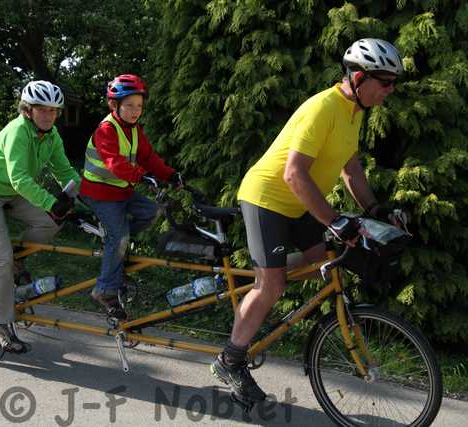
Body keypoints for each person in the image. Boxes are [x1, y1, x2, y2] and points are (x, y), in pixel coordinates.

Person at [210, 38, 404, 406]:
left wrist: (374, 209)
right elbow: (293, 173)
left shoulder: (355, 111)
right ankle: (230, 359)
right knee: (273, 285)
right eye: (386, 82)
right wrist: (334, 220)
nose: (390, 90)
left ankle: (266, 271)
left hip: (300, 203)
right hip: (267, 198)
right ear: (359, 78)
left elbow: (351, 170)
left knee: (324, 263)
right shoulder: (323, 107)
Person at [0, 80, 80, 353]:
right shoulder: (18, 131)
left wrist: (81, 199)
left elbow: (65, 172)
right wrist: (51, 202)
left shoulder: (51, 135)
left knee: (51, 222)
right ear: (28, 110)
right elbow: (20, 179)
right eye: (42, 110)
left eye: (53, 111)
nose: (48, 116)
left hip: (10, 191)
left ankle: (17, 258)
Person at [79, 74, 184, 320]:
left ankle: (114, 243)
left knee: (152, 212)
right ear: (114, 105)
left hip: (121, 191)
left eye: (139, 105)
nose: (136, 111)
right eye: (129, 105)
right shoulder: (106, 129)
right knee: (120, 237)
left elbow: (149, 158)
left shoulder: (135, 130)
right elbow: (114, 163)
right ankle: (104, 291)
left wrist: (170, 174)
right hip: (100, 193)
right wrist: (142, 176)